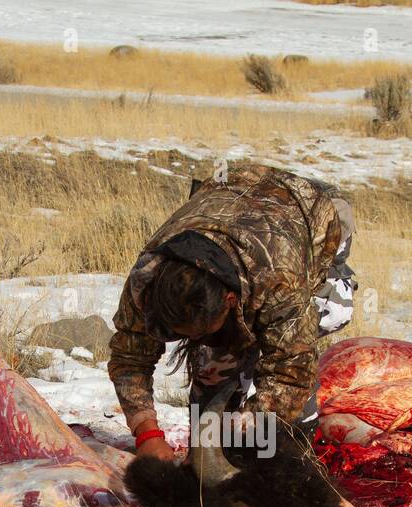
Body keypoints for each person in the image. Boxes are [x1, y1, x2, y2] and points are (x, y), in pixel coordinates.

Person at [107, 163, 356, 460]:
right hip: (232, 196)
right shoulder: (148, 277)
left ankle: (296, 440)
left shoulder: (279, 281)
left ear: (229, 300)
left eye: (200, 333)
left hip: (314, 213)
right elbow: (129, 357)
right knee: (213, 372)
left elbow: (291, 374)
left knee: (324, 316)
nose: (191, 342)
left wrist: (246, 432)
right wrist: (147, 433)